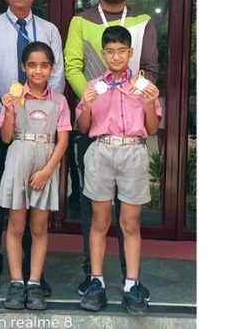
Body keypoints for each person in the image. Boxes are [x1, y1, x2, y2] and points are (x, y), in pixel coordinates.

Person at [63, 0, 158, 299]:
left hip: (130, 130)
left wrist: (136, 92)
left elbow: (149, 66)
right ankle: (94, 278)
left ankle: (130, 280)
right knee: (95, 211)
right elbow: (72, 64)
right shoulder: (81, 20)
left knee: (129, 216)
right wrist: (93, 95)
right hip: (96, 127)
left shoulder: (144, 20)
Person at [0, 0, 65, 297]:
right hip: (2, 128)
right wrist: (4, 116)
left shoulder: (49, 31)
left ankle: (30, 272)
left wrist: (32, 115)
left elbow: (55, 78)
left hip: (37, 131)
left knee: (32, 201)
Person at [76, 26, 161, 315]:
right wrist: (86, 105)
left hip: (133, 151)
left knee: (130, 222)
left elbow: (151, 129)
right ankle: (96, 281)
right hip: (102, 149)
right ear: (103, 53)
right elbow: (83, 128)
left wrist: (149, 104)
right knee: (99, 220)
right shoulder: (93, 87)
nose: (115, 56)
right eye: (110, 51)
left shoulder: (142, 87)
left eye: (121, 51)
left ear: (130, 53)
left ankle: (131, 285)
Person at [0, 42, 71, 311]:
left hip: (46, 163)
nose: (38, 70)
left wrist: (48, 171)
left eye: (44, 65)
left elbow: (62, 141)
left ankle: (35, 282)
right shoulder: (15, 97)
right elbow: (6, 137)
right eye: (32, 65)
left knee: (39, 226)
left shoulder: (59, 100)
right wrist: (6, 110)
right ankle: (17, 282)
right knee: (16, 226)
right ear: (23, 67)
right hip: (18, 159)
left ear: (52, 68)